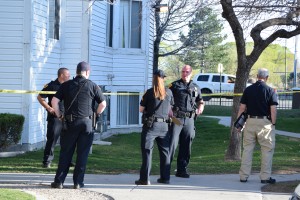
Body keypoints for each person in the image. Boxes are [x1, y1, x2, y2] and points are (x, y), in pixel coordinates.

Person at [50, 61, 106, 189]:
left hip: (70, 123)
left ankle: (59, 182)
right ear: (87, 72)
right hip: (87, 123)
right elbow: (103, 104)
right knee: (82, 153)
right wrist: (96, 115)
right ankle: (78, 183)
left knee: (66, 152)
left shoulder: (66, 85)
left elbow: (54, 101)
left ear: (76, 72)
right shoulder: (93, 86)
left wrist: (59, 115)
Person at [238, 68, 278, 184]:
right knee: (267, 150)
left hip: (250, 121)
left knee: (247, 149)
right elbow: (273, 109)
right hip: (265, 123)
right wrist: (273, 123)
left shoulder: (248, 90)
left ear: (257, 76)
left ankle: (243, 176)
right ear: (267, 77)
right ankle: (265, 177)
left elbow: (242, 107)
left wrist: (239, 122)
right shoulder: (270, 91)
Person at [135, 69, 174, 185]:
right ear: (164, 79)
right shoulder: (169, 93)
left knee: (147, 152)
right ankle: (165, 178)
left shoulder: (149, 92)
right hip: (165, 126)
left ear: (153, 78)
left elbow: (141, 109)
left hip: (151, 126)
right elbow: (170, 109)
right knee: (165, 153)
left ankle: (144, 179)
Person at [169, 65, 204, 178]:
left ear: (191, 73)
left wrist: (201, 107)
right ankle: (165, 169)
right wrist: (169, 110)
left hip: (189, 119)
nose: (185, 73)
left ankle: (181, 170)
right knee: (172, 144)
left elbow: (200, 100)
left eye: (187, 72)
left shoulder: (196, 87)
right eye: (183, 71)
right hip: (176, 119)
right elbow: (165, 99)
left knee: (186, 144)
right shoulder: (174, 85)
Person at [37, 68, 70, 168]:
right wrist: (48, 108)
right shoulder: (51, 85)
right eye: (67, 75)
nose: (69, 76)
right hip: (55, 117)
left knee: (68, 140)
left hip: (67, 117)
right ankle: (47, 161)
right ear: (61, 75)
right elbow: (40, 97)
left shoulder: (69, 86)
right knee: (52, 140)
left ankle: (68, 160)